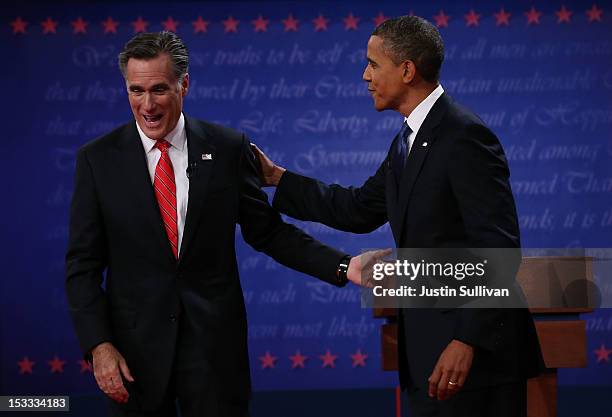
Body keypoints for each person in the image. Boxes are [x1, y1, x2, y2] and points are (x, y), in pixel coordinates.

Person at [65, 31, 370, 417]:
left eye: (159, 89)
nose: (147, 105)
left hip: (213, 351)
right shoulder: (97, 160)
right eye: (135, 90)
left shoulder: (227, 148)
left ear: (184, 84)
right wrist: (99, 345)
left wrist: (344, 266)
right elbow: (82, 267)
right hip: (133, 353)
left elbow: (270, 233)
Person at [252, 16, 544, 417]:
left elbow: (499, 248)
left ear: (407, 70)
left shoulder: (464, 136)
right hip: (430, 355)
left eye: (373, 64)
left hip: (474, 362)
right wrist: (277, 179)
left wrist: (466, 341)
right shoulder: (408, 141)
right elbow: (357, 209)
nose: (365, 75)